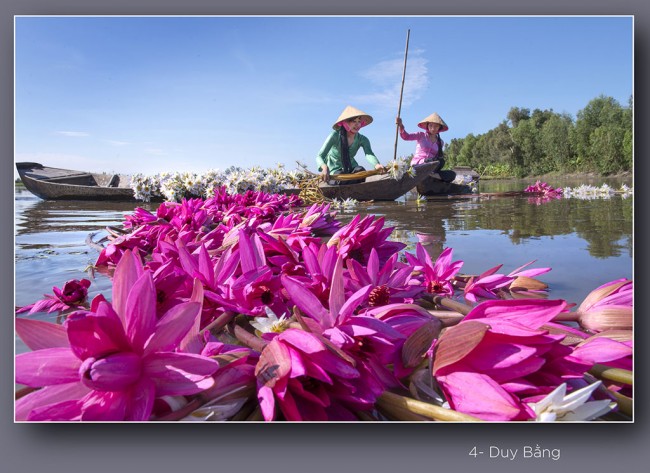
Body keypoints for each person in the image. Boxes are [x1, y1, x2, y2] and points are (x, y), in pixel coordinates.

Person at [317, 105, 386, 184]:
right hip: (335, 170)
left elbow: (369, 153)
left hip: (351, 168)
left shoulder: (362, 139)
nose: (357, 125)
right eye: (354, 121)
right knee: (340, 177)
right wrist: (324, 168)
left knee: (361, 171)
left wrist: (377, 165)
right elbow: (319, 156)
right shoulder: (335, 136)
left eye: (359, 122)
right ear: (345, 123)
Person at [396, 112, 456, 182]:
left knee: (451, 173)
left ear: (439, 127)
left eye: (436, 126)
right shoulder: (420, 135)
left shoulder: (440, 142)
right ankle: (428, 174)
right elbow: (406, 137)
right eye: (431, 126)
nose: (433, 128)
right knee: (430, 161)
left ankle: (431, 175)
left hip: (431, 167)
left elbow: (437, 160)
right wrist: (401, 125)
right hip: (418, 165)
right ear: (427, 126)